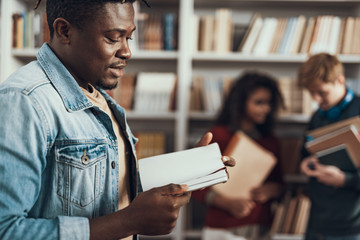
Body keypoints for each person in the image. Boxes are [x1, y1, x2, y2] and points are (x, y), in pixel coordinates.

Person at [0, 1, 235, 239]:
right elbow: (5, 230)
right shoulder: (23, 101)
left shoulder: (96, 93)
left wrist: (186, 173)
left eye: (129, 38)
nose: (127, 52)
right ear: (64, 31)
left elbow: (106, 187)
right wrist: (128, 222)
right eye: (113, 38)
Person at [192, 72, 285, 240]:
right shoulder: (217, 136)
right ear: (241, 103)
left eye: (269, 103)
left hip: (261, 227)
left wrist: (272, 191)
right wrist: (228, 203)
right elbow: (196, 185)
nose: (266, 108)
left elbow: (280, 185)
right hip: (222, 227)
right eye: (259, 102)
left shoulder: (271, 141)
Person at [298, 53, 360, 240]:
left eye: (322, 92)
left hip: (351, 228)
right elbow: (305, 152)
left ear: (340, 80)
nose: (316, 99)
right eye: (311, 93)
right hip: (316, 223)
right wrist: (306, 163)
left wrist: (345, 180)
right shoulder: (317, 116)